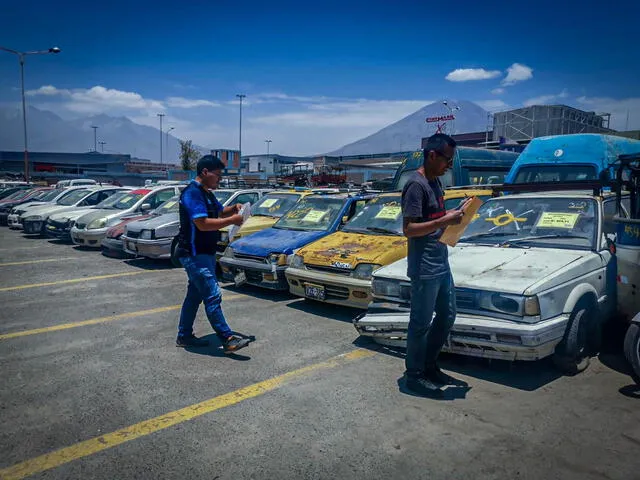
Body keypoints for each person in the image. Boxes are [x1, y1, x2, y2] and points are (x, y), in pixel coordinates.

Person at [401, 133, 471, 396]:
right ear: (432, 155)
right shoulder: (415, 185)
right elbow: (409, 229)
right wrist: (445, 220)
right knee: (420, 323)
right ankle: (414, 376)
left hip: (441, 262)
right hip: (424, 267)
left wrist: (457, 214)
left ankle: (428, 365)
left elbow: (437, 218)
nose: (449, 165)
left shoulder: (436, 183)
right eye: (447, 160)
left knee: (447, 314)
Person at [174, 154, 250, 353]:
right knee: (212, 294)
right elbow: (202, 223)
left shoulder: (206, 193)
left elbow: (219, 211)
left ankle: (184, 336)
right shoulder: (192, 193)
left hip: (205, 253)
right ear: (205, 172)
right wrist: (233, 220)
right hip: (194, 253)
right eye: (217, 175)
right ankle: (227, 338)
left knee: (194, 296)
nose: (220, 179)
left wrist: (233, 209)